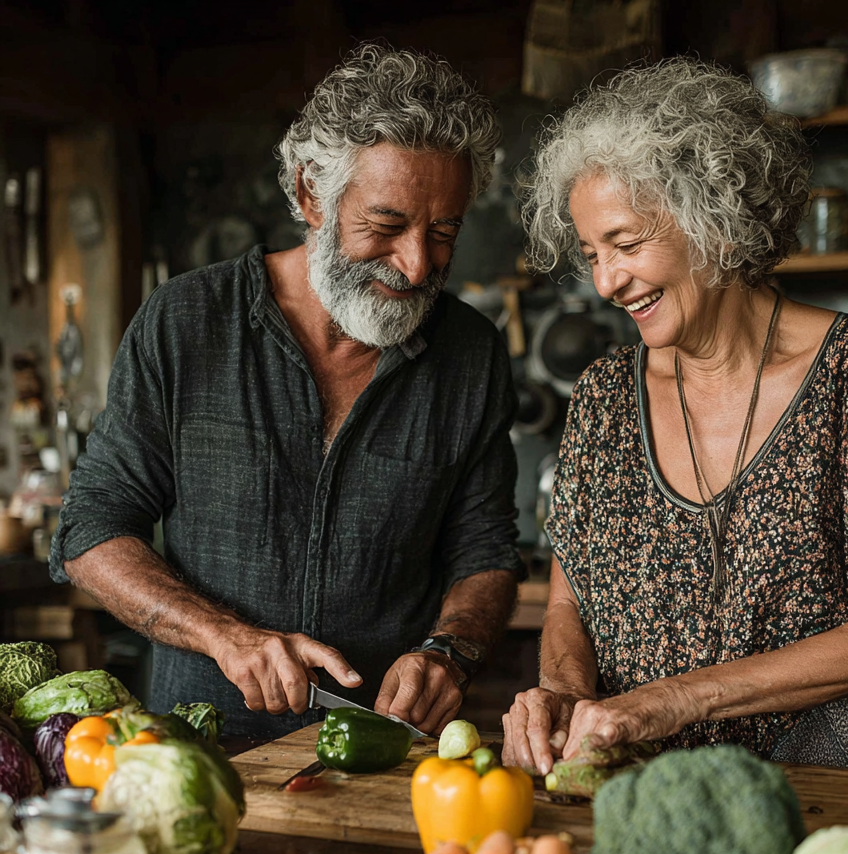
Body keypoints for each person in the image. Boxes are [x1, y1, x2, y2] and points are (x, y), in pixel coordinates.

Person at [51, 44, 525, 740]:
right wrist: (223, 635)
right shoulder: (186, 321)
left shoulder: (472, 355)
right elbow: (89, 529)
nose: (419, 262)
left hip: (377, 753)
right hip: (199, 748)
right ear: (311, 195)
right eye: (386, 226)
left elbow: (485, 553)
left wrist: (450, 651)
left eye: (444, 230)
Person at [503, 58, 848, 775]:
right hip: (636, 778)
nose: (607, 282)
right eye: (591, 254)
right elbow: (568, 602)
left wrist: (674, 699)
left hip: (823, 773)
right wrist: (561, 691)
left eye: (625, 243)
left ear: (713, 216)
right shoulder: (603, 395)